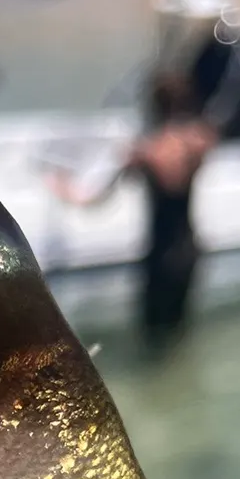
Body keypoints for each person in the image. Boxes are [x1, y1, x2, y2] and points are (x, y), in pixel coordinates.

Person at [49, 73, 220, 350]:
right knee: (178, 332)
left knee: (154, 335)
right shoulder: (199, 142)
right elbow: (206, 135)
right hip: (190, 251)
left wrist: (62, 188)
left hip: (160, 256)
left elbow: (92, 199)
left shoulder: (146, 153)